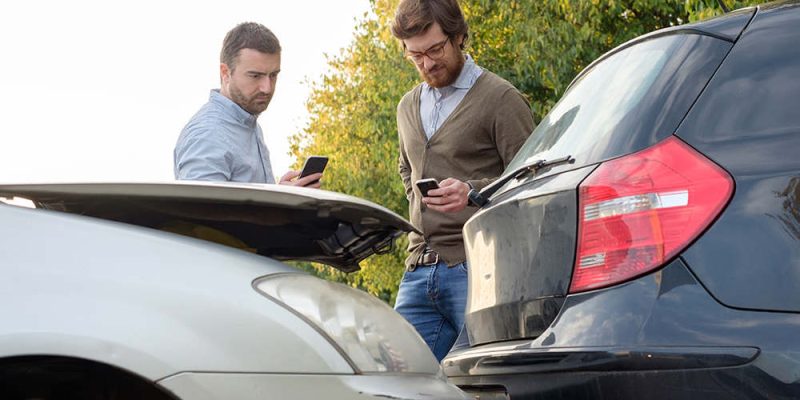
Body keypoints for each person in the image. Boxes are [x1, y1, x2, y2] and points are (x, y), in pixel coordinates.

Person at [391, 0, 534, 361]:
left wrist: (472, 193)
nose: (426, 63)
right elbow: (407, 168)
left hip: (480, 269)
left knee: (480, 382)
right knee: (398, 379)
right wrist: (421, 206)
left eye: (435, 49)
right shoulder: (407, 106)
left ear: (458, 37)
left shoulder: (501, 98)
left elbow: (532, 178)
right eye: (415, 55)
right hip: (418, 270)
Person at [174, 22, 321, 187]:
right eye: (255, 76)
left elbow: (244, 207)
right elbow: (201, 211)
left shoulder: (248, 123)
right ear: (225, 73)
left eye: (273, 75)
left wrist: (282, 195)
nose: (267, 88)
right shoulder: (208, 134)